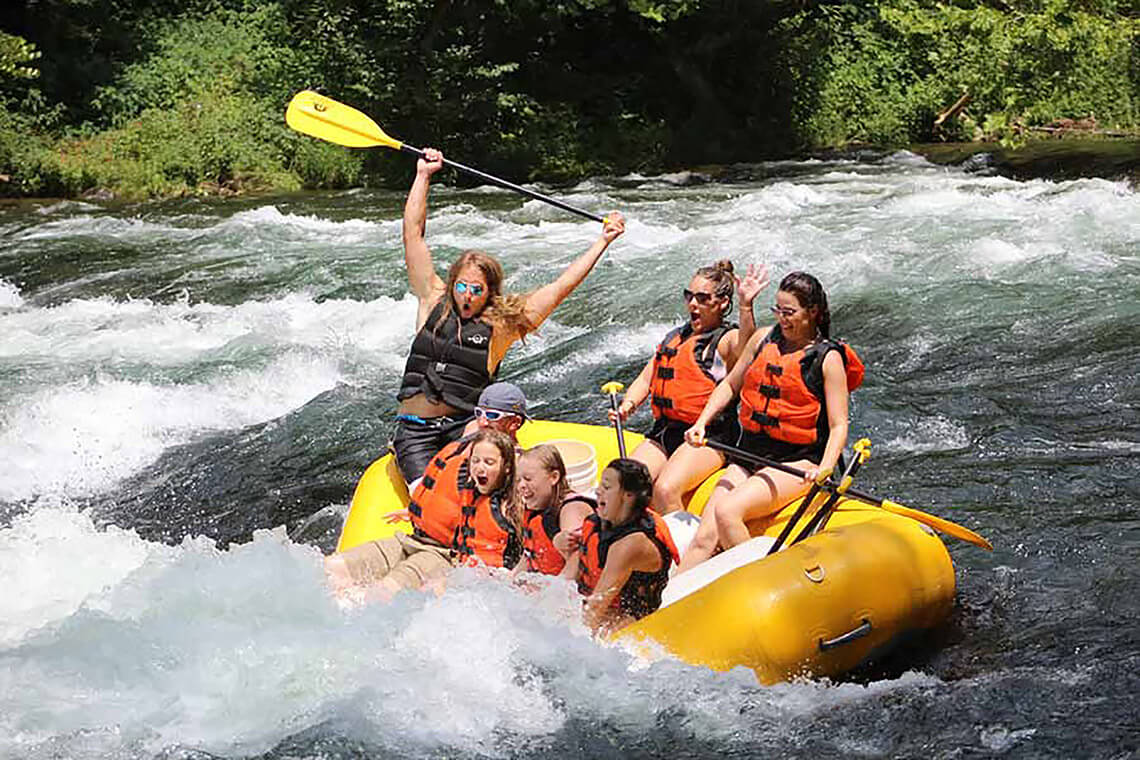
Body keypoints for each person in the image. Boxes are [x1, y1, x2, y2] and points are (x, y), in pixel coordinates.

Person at [393, 146, 626, 485]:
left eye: (476, 290)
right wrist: (423, 176)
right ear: (452, 282)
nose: (467, 296)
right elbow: (412, 235)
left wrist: (602, 242)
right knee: (425, 500)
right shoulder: (432, 297)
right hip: (414, 433)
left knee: (473, 488)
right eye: (462, 286)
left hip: (465, 429)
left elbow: (560, 288)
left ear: (490, 292)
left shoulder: (500, 326)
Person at [675, 271, 864, 573]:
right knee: (704, 537)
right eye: (778, 310)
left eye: (789, 312)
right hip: (750, 453)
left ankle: (762, 583)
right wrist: (702, 421)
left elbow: (839, 424)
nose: (782, 319)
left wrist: (825, 468)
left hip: (796, 461)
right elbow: (729, 385)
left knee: (727, 512)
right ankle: (671, 604)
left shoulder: (827, 358)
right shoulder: (764, 339)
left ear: (812, 312)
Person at [325, 383, 528, 598]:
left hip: (445, 555)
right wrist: (418, 508)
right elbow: (446, 490)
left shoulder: (511, 467)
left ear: (514, 422)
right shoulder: (468, 442)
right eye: (480, 413)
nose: (483, 421)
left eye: (493, 415)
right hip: (412, 538)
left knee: (380, 594)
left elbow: (512, 517)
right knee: (330, 570)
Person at [609, 260, 769, 513]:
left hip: (708, 436)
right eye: (689, 296)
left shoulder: (726, 340)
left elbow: (747, 347)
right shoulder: (676, 337)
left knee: (664, 490)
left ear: (722, 303)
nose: (693, 304)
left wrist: (746, 305)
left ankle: (678, 549)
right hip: (665, 432)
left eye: (703, 298)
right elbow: (644, 379)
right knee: (621, 485)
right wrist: (627, 406)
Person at [575, 458, 680, 633]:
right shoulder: (603, 522)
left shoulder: (630, 544)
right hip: (606, 608)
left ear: (628, 496)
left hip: (634, 620)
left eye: (607, 488)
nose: (598, 491)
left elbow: (595, 608)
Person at [514, 444, 597, 577]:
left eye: (528, 479)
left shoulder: (572, 509)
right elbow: (528, 557)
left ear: (554, 477)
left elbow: (578, 561)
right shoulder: (537, 512)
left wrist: (551, 595)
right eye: (518, 480)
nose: (521, 485)